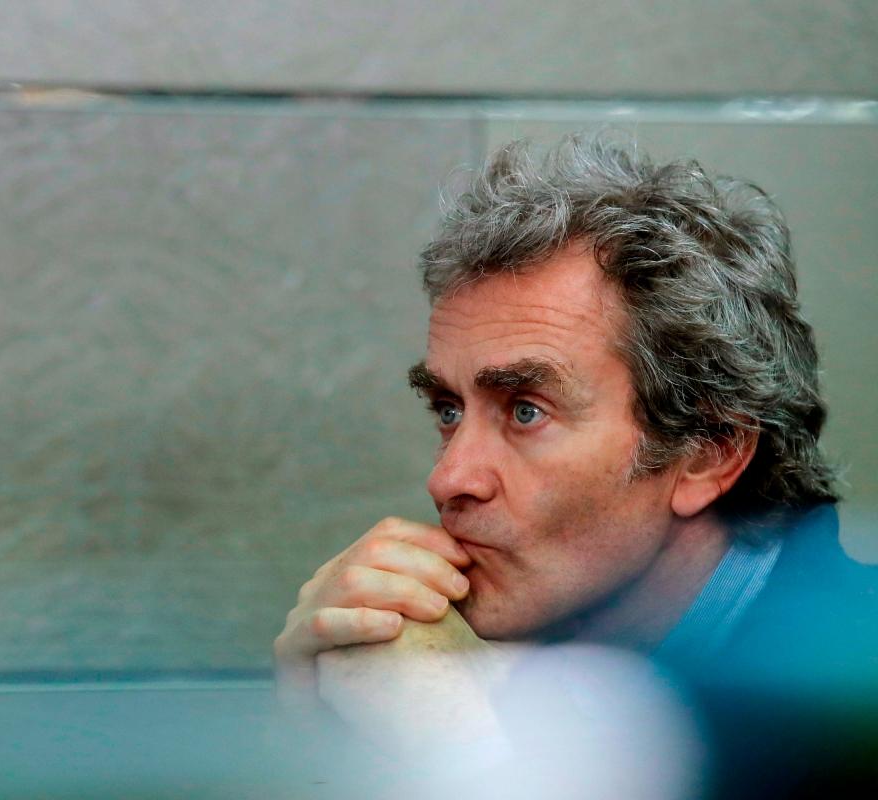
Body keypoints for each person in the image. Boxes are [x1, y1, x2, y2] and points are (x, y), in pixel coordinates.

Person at [273, 133, 878, 797]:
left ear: (709, 451)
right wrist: (326, 729)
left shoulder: (843, 688)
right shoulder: (543, 647)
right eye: (448, 410)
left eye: (526, 411)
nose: (448, 480)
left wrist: (463, 748)